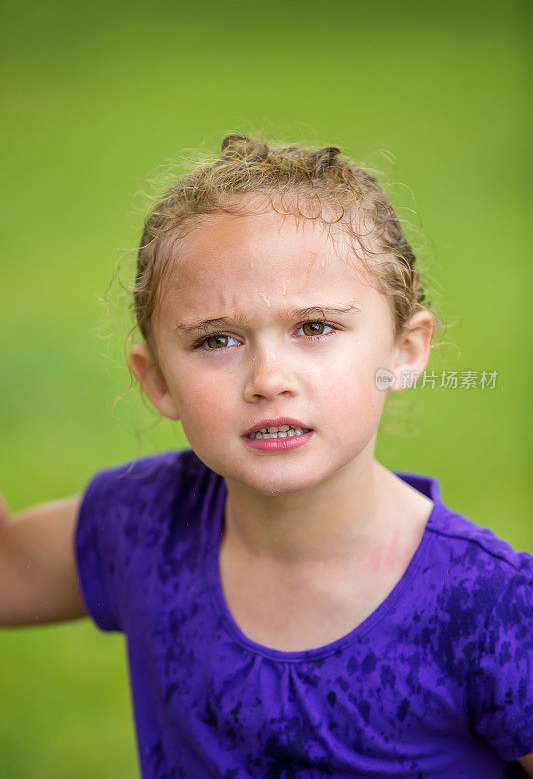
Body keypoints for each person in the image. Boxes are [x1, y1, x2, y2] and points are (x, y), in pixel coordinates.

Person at [1, 134, 532, 779]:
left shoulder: (493, 606)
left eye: (315, 328)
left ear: (404, 354)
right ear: (159, 380)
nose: (268, 377)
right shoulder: (140, 523)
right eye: (217, 339)